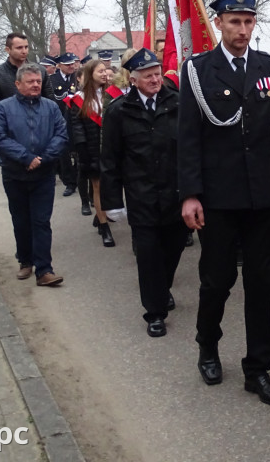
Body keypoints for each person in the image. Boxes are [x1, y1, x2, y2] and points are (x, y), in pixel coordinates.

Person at [177, 0, 270, 407]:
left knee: (261, 283)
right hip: (219, 197)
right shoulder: (198, 70)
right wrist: (190, 194)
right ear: (218, 23)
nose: (242, 30)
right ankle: (208, 345)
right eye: (234, 22)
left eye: (248, 22)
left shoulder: (269, 68)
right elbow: (188, 137)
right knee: (218, 279)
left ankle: (258, 368)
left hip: (261, 197)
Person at [100, 48, 185, 337]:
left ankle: (163, 288)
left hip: (175, 196)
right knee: (148, 255)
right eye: (148, 76)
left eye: (158, 74)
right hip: (141, 198)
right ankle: (155, 312)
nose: (155, 80)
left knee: (173, 250)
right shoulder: (119, 111)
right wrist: (112, 202)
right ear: (133, 79)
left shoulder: (178, 103)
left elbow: (191, 150)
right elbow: (109, 160)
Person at [0, 63, 68, 287]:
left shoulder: (51, 107)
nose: (35, 85)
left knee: (41, 221)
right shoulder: (3, 108)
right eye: (30, 82)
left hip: (43, 174)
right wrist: (26, 157)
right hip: (15, 174)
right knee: (21, 220)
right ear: (17, 84)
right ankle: (25, 260)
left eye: (38, 82)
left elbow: (61, 134)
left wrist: (43, 158)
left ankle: (44, 270)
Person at [69, 58, 116, 248]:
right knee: (97, 187)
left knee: (111, 186)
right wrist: (83, 153)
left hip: (111, 148)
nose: (105, 74)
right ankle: (105, 228)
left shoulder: (112, 95)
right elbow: (77, 128)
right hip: (92, 148)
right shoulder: (78, 99)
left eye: (105, 70)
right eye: (100, 71)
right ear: (90, 75)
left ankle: (100, 215)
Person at [0, 33, 53, 120]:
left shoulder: (41, 71)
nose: (24, 51)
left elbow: (50, 100)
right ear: (8, 49)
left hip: (39, 124)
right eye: (19, 48)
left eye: (26, 47)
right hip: (11, 126)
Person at [49, 52, 81, 200]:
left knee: (79, 151)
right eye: (67, 64)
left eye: (72, 63)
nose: (71, 66)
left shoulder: (78, 77)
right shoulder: (51, 80)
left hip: (77, 119)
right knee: (64, 153)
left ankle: (79, 179)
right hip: (60, 121)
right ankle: (69, 182)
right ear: (59, 65)